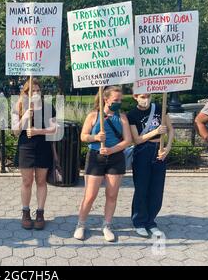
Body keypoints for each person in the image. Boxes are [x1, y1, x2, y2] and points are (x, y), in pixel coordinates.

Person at [74, 86, 132, 242]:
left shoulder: (122, 117)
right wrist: (96, 138)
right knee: (90, 195)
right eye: (116, 100)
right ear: (106, 99)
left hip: (116, 157)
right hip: (95, 157)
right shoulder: (93, 116)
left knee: (112, 195)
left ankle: (106, 225)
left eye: (120, 100)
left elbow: (128, 140)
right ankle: (81, 224)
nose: (119, 103)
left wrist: (112, 150)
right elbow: (83, 136)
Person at [12, 78, 57, 230]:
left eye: (38, 91)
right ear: (25, 93)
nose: (36, 93)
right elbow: (15, 130)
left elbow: (54, 129)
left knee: (41, 181)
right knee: (26, 181)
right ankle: (25, 212)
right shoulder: (18, 106)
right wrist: (25, 116)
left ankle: (40, 212)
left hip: (43, 147)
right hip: (26, 147)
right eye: (33, 91)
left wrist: (38, 131)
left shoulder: (48, 107)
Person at [127, 93, 174, 238]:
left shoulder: (160, 108)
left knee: (156, 188)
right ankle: (139, 221)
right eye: (142, 96)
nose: (145, 99)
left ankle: (150, 221)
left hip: (159, 150)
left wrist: (167, 148)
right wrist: (155, 131)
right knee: (141, 188)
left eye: (148, 96)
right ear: (135, 96)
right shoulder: (132, 114)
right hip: (143, 151)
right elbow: (137, 139)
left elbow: (171, 130)